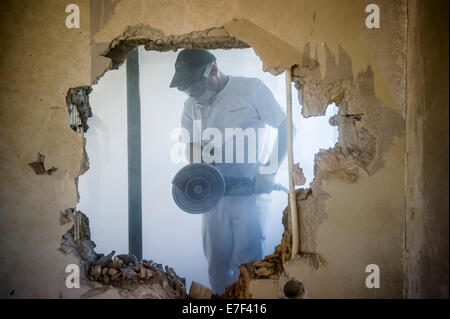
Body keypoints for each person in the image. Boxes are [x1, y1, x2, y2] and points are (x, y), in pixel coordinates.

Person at [170, 49, 288, 294]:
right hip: (214, 197)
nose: (195, 95)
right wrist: (198, 176)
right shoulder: (190, 106)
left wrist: (269, 172)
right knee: (216, 266)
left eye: (196, 87)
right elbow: (191, 146)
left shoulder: (250, 90)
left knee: (248, 264)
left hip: (250, 194)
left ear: (212, 68)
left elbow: (287, 128)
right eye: (189, 91)